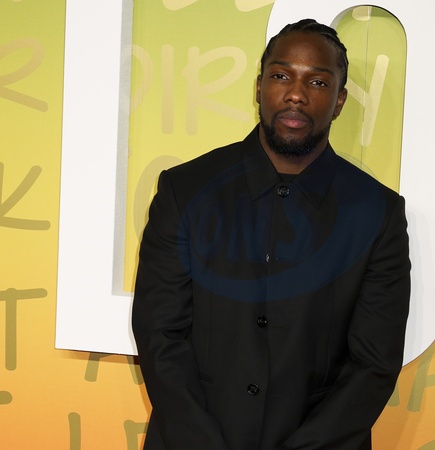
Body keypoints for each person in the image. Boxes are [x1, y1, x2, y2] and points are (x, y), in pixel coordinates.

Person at [132, 18, 410, 450]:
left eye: (317, 82)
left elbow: (374, 363)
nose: (296, 94)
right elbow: (159, 335)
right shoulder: (184, 190)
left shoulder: (378, 213)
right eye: (281, 76)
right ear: (259, 87)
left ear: (339, 101)